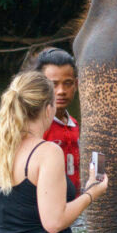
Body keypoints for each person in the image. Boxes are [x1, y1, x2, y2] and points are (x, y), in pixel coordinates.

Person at [0, 71, 108, 233]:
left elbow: (0, 219)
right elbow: (54, 222)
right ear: (49, 109)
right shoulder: (47, 152)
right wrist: (91, 193)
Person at [34, 48, 81, 191]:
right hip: (46, 206)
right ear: (39, 85)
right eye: (53, 84)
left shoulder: (74, 124)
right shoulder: (36, 126)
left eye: (68, 83)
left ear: (77, 85)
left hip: (75, 205)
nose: (61, 91)